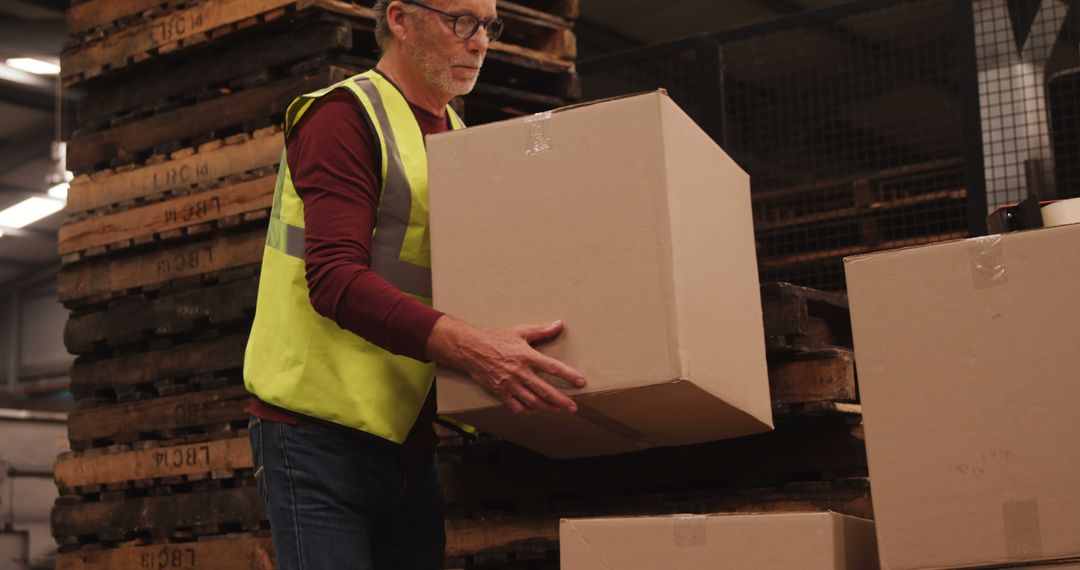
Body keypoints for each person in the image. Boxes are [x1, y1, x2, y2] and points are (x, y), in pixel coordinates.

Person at [242, 1, 587, 568]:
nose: (479, 42)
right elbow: (333, 279)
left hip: (407, 438)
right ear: (400, 19)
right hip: (315, 435)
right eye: (461, 21)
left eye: (489, 26)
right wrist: (475, 350)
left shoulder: (453, 134)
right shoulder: (343, 117)